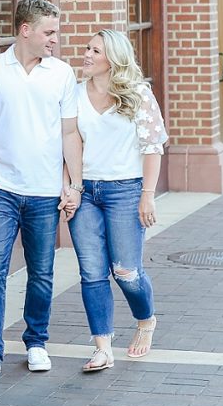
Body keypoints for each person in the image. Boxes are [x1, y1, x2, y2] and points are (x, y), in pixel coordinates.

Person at [0, 0, 84, 375]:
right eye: (49, 32)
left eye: (56, 33)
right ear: (25, 30)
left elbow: (70, 133)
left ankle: (36, 342)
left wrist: (73, 184)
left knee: (41, 272)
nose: (54, 39)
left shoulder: (61, 73)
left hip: (45, 192)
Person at [69, 29, 165, 371]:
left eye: (95, 50)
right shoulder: (75, 94)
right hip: (87, 193)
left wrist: (147, 196)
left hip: (126, 190)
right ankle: (102, 347)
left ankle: (145, 320)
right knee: (92, 272)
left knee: (125, 271)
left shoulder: (137, 94)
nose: (87, 54)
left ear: (113, 59)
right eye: (87, 47)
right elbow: (69, 145)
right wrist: (71, 186)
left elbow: (152, 147)